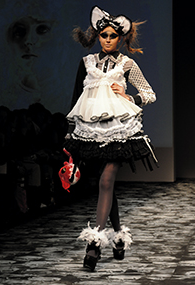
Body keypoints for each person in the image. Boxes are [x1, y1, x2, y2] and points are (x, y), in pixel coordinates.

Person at [65, 6, 158, 271]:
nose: (107, 39)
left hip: (120, 132)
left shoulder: (127, 64)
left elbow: (149, 93)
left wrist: (131, 96)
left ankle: (94, 245)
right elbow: (76, 99)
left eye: (112, 35)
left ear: (120, 38)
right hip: (90, 133)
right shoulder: (87, 63)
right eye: (103, 34)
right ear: (97, 36)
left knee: (106, 181)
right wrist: (70, 132)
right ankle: (118, 237)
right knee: (106, 185)